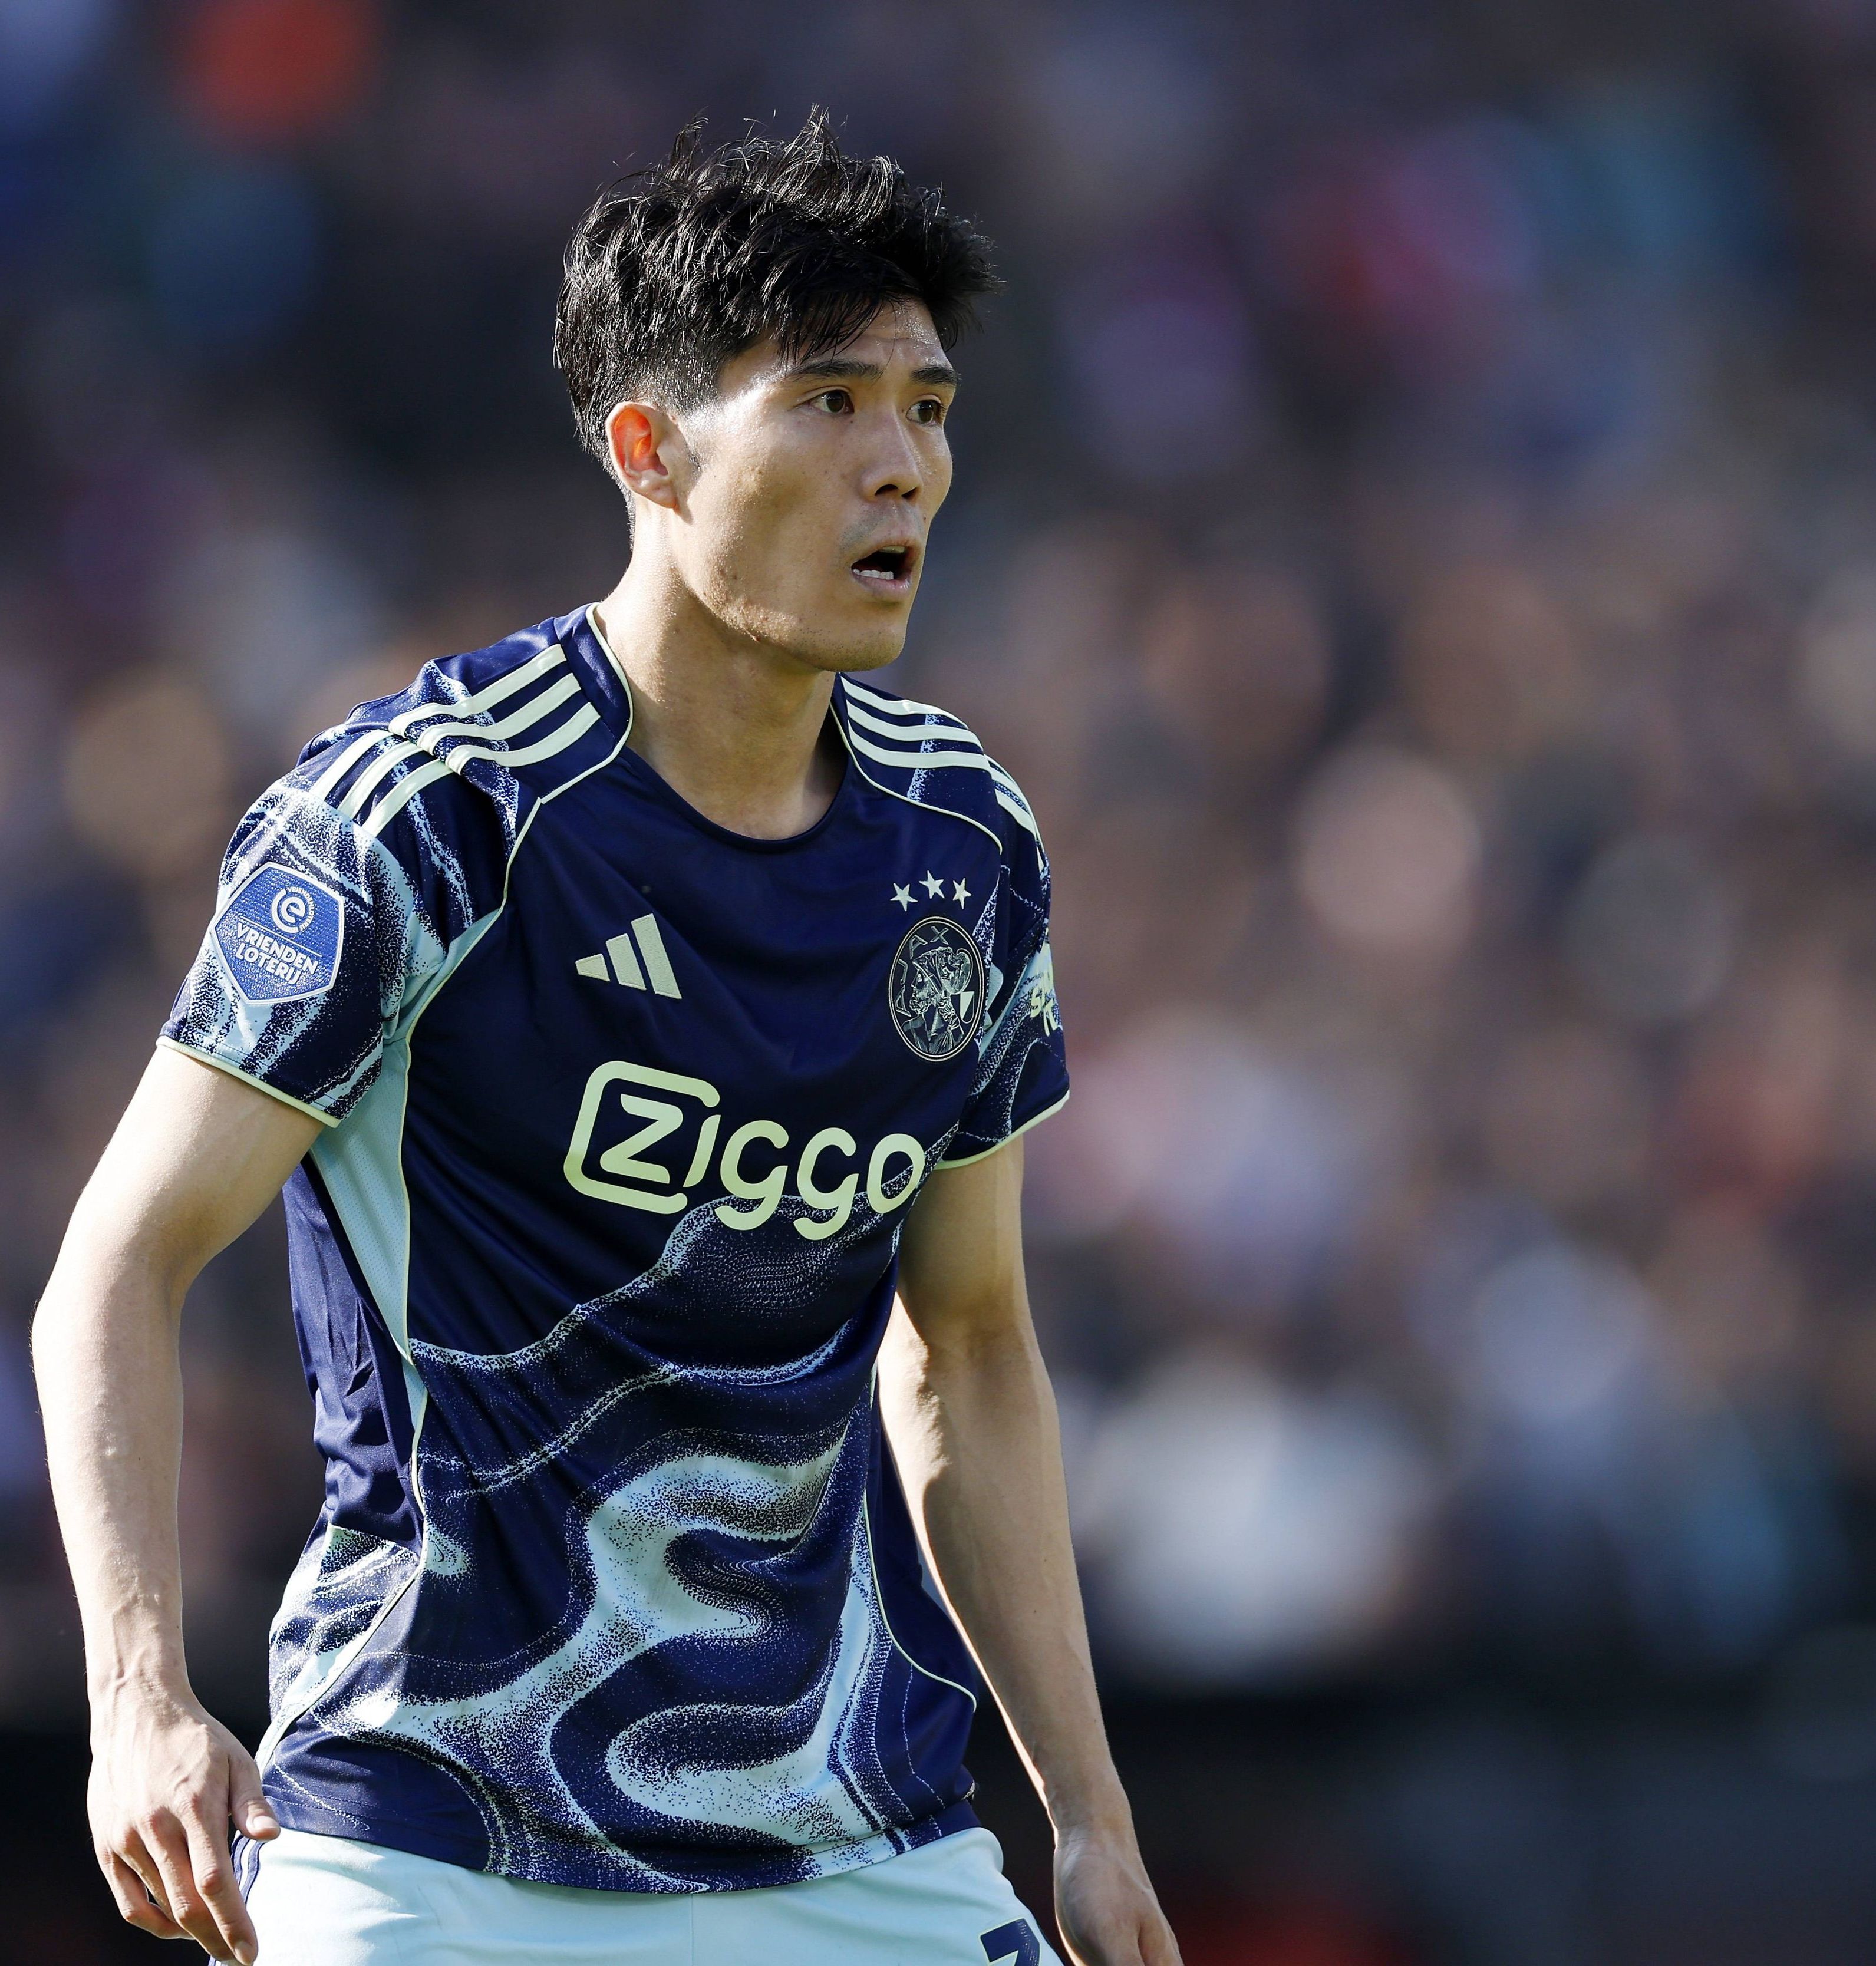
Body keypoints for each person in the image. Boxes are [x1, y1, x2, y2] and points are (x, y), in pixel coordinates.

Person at [31, 114, 1181, 1966]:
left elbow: (967, 1343)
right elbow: (119, 1262)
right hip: (437, 1845)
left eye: (929, 407)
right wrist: (137, 1702)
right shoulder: (427, 814)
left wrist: (1093, 1819)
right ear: (649, 451)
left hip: (854, 1837)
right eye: (829, 402)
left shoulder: (965, 844)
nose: (902, 464)